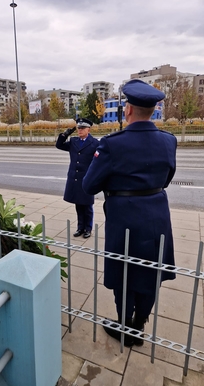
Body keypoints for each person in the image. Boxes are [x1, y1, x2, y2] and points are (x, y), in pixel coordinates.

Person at [82, 79, 177, 346]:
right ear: (153, 110)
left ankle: (126, 327)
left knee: (124, 274)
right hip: (157, 216)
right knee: (150, 271)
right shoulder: (170, 141)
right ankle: (140, 324)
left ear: (128, 110)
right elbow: (167, 178)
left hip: (124, 219)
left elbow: (89, 186)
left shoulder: (112, 144)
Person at [56, 118, 99, 238]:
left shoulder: (95, 143)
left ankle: (88, 229)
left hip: (86, 179)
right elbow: (59, 145)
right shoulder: (73, 141)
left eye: (82, 128)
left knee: (87, 205)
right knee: (78, 205)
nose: (79, 130)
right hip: (74, 178)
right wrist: (65, 134)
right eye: (78, 128)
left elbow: (100, 159)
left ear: (88, 129)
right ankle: (80, 228)